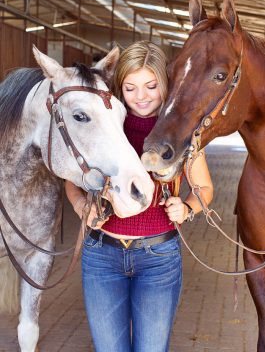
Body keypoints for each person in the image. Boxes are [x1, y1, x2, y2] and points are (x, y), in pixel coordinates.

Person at [65, 41, 213, 352]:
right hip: (102, 255)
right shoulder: (106, 125)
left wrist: (186, 207)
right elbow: (71, 181)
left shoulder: (180, 131)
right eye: (130, 88)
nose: (141, 96)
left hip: (158, 259)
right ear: (120, 86)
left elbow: (205, 190)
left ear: (165, 82)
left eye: (150, 85)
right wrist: (81, 207)